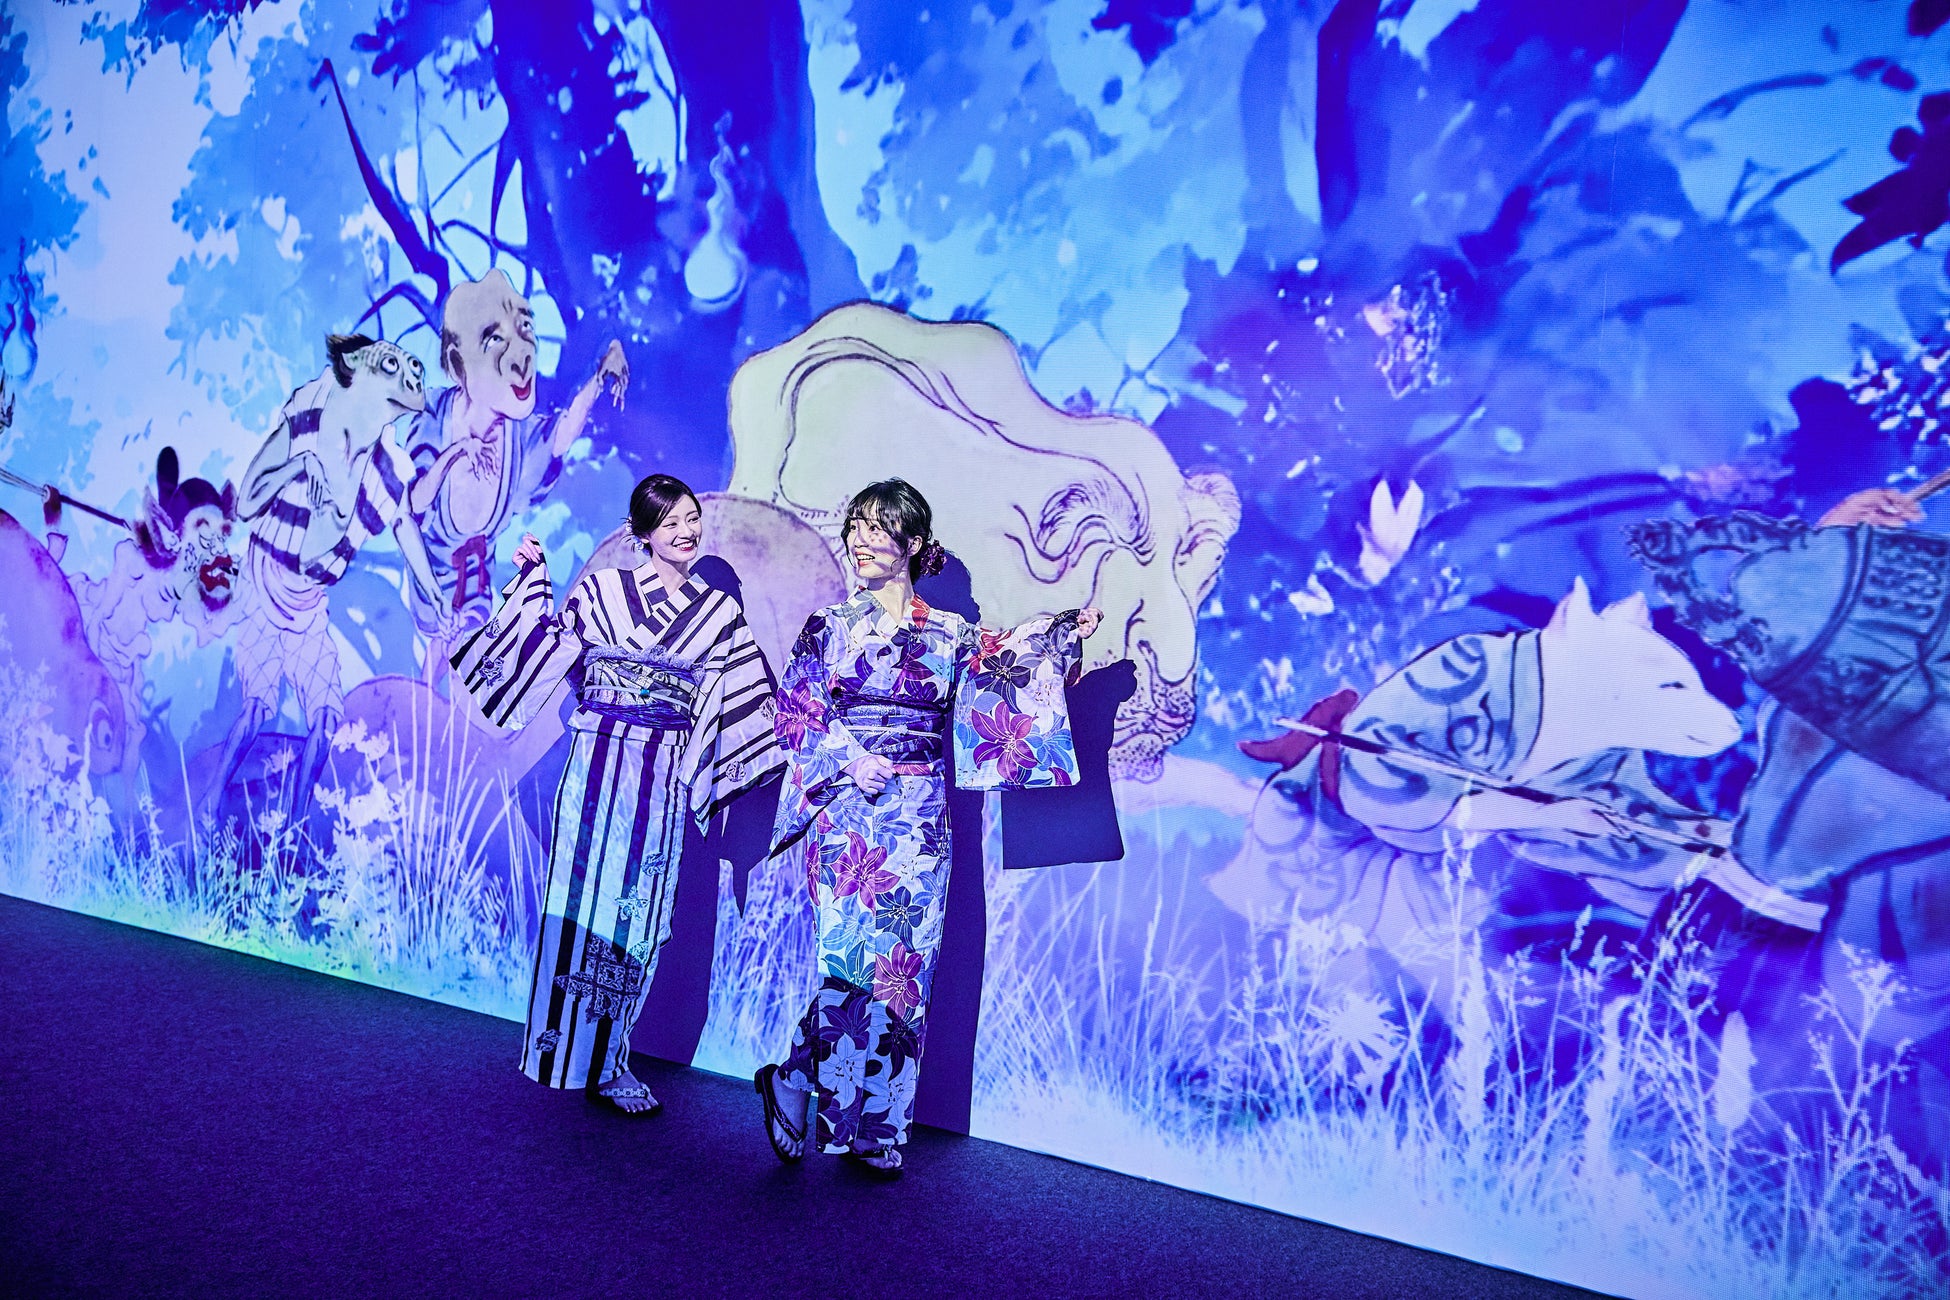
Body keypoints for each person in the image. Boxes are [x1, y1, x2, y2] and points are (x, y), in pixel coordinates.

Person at [753, 478, 1102, 1176]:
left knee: (904, 974)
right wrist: (850, 760)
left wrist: (1060, 632)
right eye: (855, 527)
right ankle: (803, 1087)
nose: (860, 541)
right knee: (850, 966)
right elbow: (796, 711)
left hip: (919, 821)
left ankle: (873, 1124)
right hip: (850, 816)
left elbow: (1006, 669)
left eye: (877, 528)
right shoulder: (830, 626)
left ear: (912, 543)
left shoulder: (949, 633)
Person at [450, 474, 782, 1114]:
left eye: (691, 519)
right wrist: (534, 583)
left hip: (661, 774)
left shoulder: (720, 614)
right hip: (595, 765)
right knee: (578, 906)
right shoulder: (602, 589)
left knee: (639, 916)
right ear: (641, 533)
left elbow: (743, 705)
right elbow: (554, 655)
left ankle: (610, 1060)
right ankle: (556, 1050)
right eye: (670, 522)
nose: (685, 531)